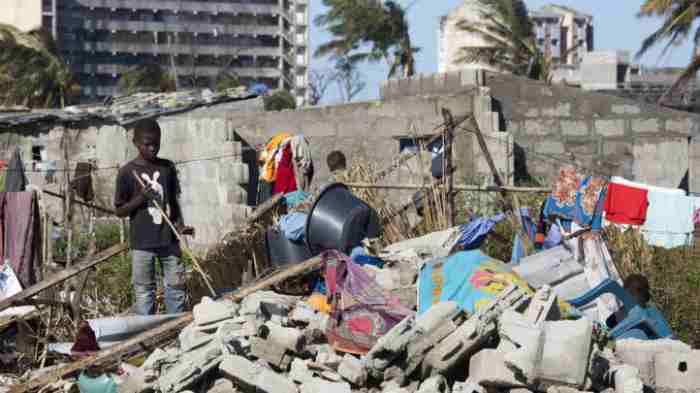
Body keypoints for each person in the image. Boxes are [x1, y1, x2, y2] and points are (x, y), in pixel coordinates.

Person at [114, 119, 193, 315]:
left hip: (169, 238)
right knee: (144, 291)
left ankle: (175, 328)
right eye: (147, 144)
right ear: (135, 143)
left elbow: (174, 201)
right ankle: (147, 335)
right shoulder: (127, 172)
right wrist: (142, 198)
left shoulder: (167, 168)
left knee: (176, 287)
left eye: (156, 144)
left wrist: (180, 225)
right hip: (142, 242)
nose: (152, 148)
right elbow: (120, 210)